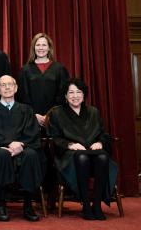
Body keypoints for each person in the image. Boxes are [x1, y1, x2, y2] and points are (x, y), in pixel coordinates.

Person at [47, 78, 117, 221]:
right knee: (81, 157)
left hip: (93, 152)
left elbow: (103, 134)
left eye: (78, 92)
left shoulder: (93, 112)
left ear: (84, 95)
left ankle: (96, 204)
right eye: (71, 92)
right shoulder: (58, 113)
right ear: (65, 96)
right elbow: (54, 138)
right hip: (70, 156)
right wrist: (70, 145)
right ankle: (85, 204)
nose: (75, 96)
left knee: (103, 157)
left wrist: (100, 143)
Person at [0, 75, 43, 222]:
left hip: (23, 148)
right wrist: (8, 144)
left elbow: (32, 133)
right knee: (2, 155)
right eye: (3, 85)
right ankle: (1, 205)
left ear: (16, 88)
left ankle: (28, 205)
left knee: (31, 155)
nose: (7, 87)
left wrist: (21, 145)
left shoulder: (26, 110)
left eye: (10, 85)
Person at [17, 33, 70, 129]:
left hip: (55, 118)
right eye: (38, 45)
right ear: (33, 48)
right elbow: (22, 96)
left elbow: (62, 95)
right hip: (31, 119)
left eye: (44, 45)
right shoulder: (25, 70)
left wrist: (50, 115)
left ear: (49, 48)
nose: (41, 48)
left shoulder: (59, 69)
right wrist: (34, 114)